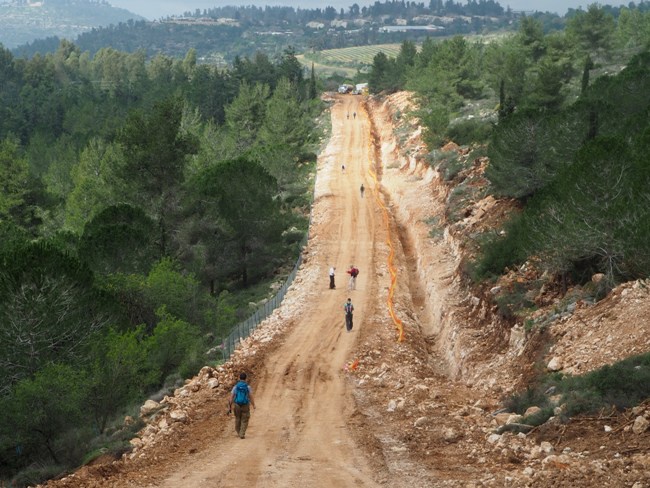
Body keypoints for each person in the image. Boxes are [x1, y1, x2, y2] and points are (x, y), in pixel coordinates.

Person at [228, 372, 256, 439]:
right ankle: (242, 433)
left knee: (238, 418)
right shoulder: (248, 387)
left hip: (237, 404)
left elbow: (231, 397)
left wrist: (229, 406)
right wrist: (253, 405)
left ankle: (238, 432)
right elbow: (251, 397)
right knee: (245, 419)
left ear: (239, 378)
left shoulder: (235, 387)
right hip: (245, 405)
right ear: (246, 378)